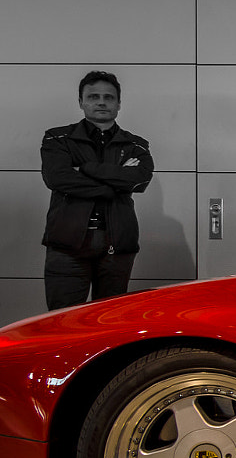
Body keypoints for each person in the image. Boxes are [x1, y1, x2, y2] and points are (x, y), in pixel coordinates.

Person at [40, 70, 154, 310]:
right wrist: (115, 183)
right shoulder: (58, 138)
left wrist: (85, 168)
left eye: (108, 97)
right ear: (81, 102)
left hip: (118, 243)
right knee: (62, 321)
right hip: (67, 243)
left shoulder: (136, 144)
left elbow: (140, 180)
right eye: (93, 97)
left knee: (110, 322)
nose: (101, 102)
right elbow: (58, 179)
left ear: (119, 103)